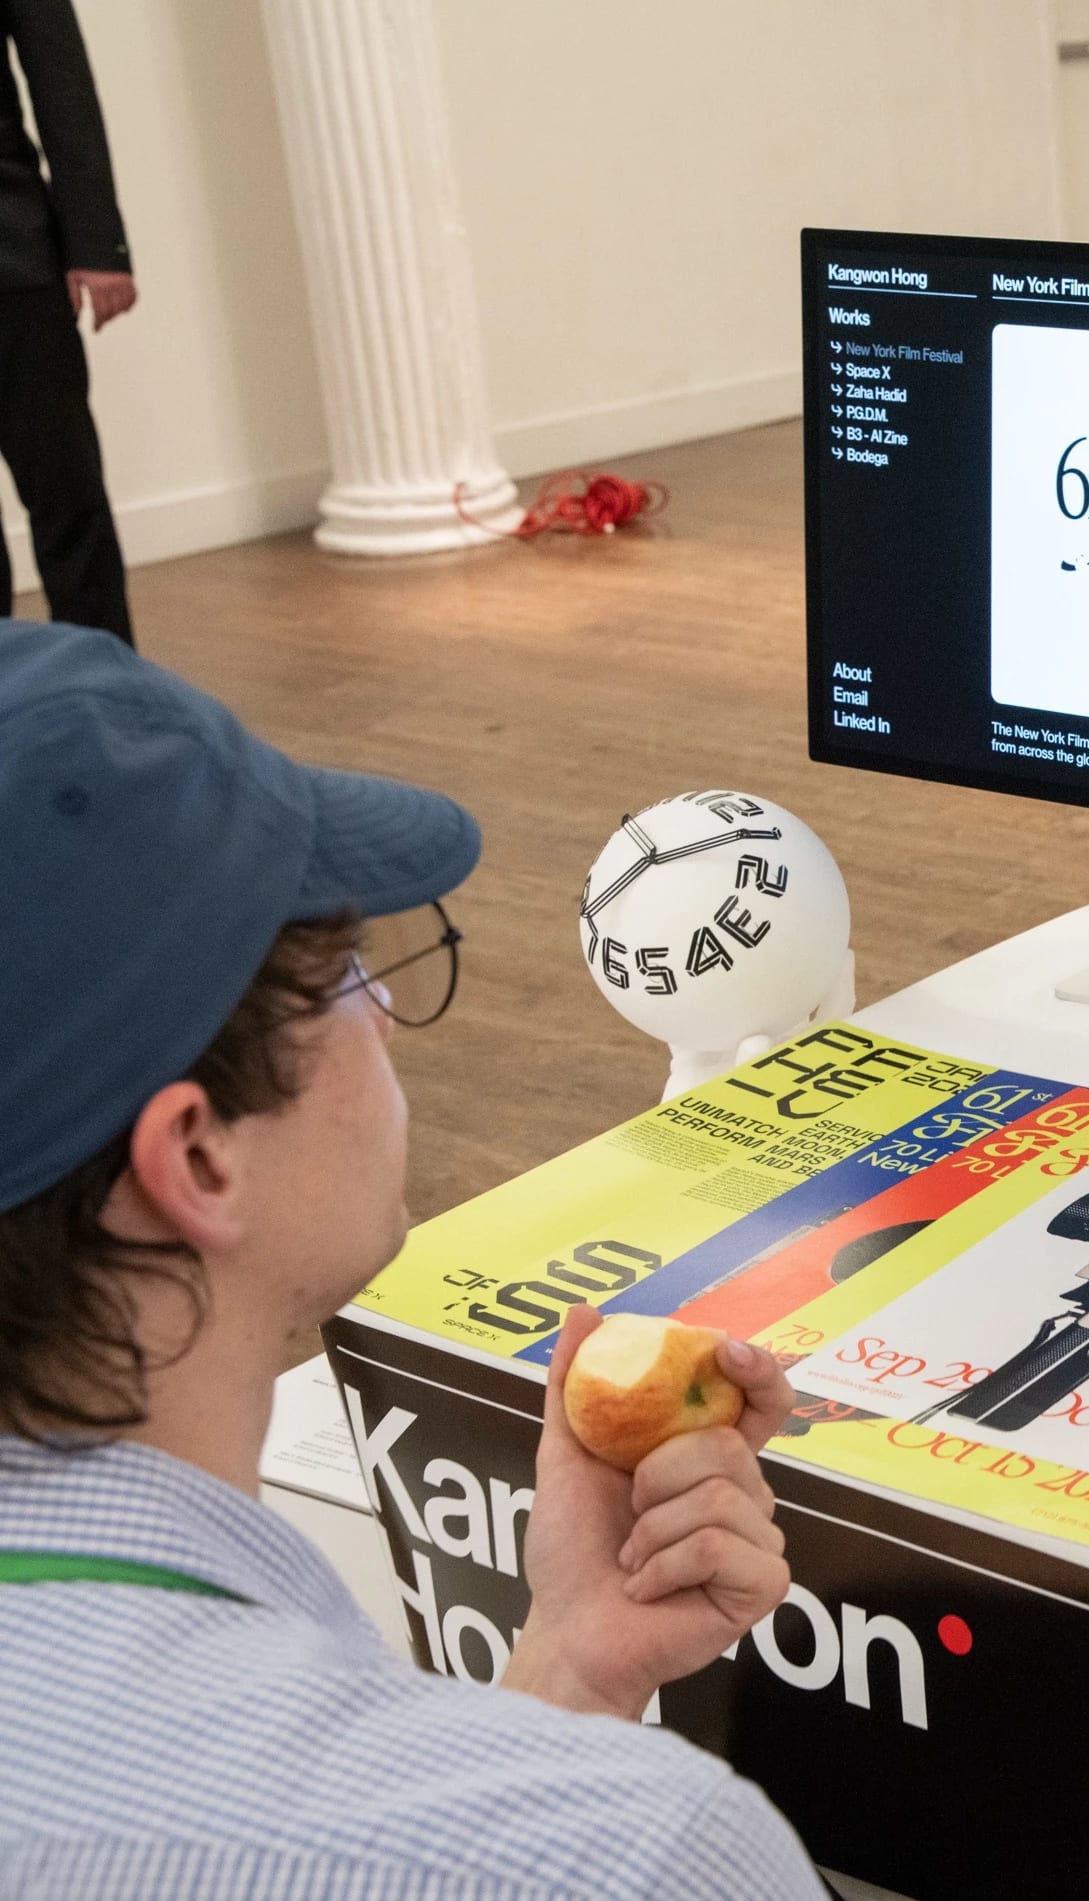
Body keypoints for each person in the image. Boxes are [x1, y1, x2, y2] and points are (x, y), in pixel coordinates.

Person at [0, 624, 822, 1896]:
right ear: (198, 1158)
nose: (383, 1009)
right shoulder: (629, 1856)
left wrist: (563, 1672)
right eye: (339, 973)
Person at [0, 0, 136, 645]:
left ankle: (106, 695)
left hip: (12, 259)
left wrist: (95, 243)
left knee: (66, 496)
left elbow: (61, 79)